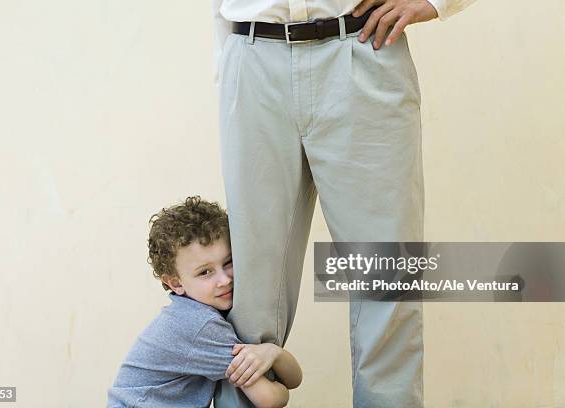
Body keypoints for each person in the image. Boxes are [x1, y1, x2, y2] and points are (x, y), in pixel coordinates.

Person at [212, 0, 477, 406]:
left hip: (361, 48)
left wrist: (437, 3)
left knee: (386, 276)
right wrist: (227, 68)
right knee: (247, 289)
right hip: (251, 58)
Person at [107, 197, 302, 408]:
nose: (225, 280)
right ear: (175, 283)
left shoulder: (188, 314)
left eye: (228, 262)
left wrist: (272, 352)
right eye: (205, 272)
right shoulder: (200, 325)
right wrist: (274, 361)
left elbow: (294, 380)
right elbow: (270, 400)